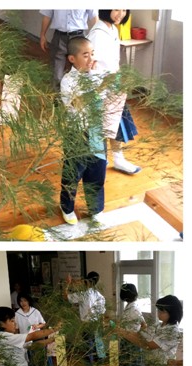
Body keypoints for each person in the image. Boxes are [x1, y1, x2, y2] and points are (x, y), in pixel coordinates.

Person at [59, 36, 107, 225]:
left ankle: (96, 208)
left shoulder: (95, 74)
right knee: (73, 173)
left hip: (96, 131)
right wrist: (101, 87)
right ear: (72, 59)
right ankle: (67, 207)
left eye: (92, 54)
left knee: (97, 171)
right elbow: (77, 103)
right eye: (85, 55)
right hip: (77, 133)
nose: (91, 59)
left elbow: (105, 96)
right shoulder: (68, 80)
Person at [88, 10, 141, 175]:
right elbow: (90, 64)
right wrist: (99, 88)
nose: (121, 13)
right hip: (100, 86)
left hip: (113, 83)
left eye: (124, 9)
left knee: (117, 123)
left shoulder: (112, 28)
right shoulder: (97, 33)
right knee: (99, 126)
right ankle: (98, 162)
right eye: (116, 8)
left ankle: (118, 159)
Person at [39, 10, 98, 91]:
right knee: (56, 72)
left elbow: (94, 17)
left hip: (79, 38)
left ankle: (81, 94)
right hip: (59, 36)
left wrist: (97, 38)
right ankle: (58, 97)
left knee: (82, 70)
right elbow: (47, 15)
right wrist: (42, 35)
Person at [64, 271, 106, 366]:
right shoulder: (100, 296)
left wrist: (68, 284)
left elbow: (66, 297)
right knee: (99, 349)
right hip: (97, 324)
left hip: (87, 325)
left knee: (88, 351)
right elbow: (102, 313)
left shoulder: (83, 295)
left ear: (87, 281)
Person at [117, 283, 145, 366]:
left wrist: (136, 336)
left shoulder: (134, 309)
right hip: (127, 339)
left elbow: (144, 325)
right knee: (130, 365)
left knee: (135, 365)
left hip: (133, 341)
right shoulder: (129, 306)